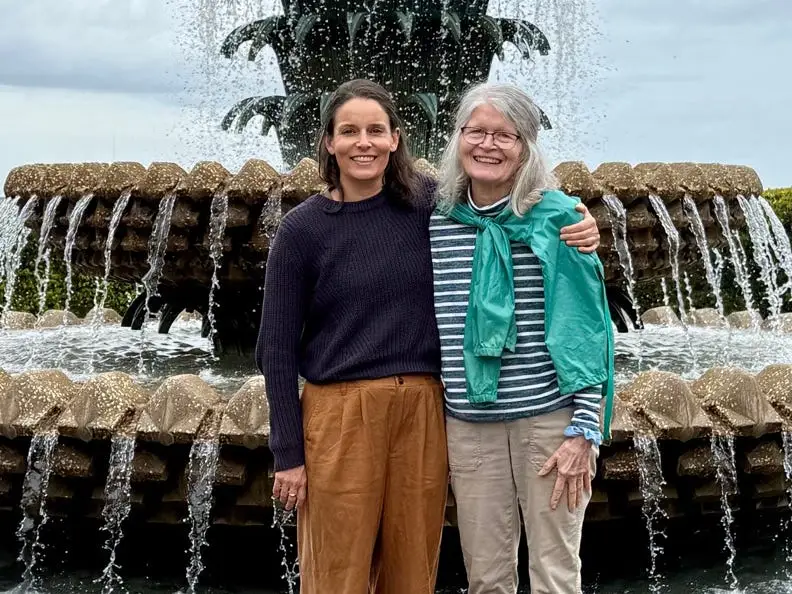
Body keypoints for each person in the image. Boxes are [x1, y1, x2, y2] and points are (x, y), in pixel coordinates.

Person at [255, 79, 602, 594]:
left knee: (418, 565)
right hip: (357, 413)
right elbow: (276, 351)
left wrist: (581, 222)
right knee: (341, 570)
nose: (363, 142)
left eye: (376, 130)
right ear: (328, 142)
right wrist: (287, 452)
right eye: (349, 131)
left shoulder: (438, 206)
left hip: (432, 408)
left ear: (397, 138)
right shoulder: (313, 227)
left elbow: (578, 315)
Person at [430, 82, 614, 594]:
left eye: (504, 135)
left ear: (525, 147)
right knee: (486, 577)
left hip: (551, 425)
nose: (488, 145)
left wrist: (584, 429)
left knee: (554, 575)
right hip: (470, 427)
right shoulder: (436, 218)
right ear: (458, 138)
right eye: (476, 131)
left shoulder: (557, 218)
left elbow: (584, 326)